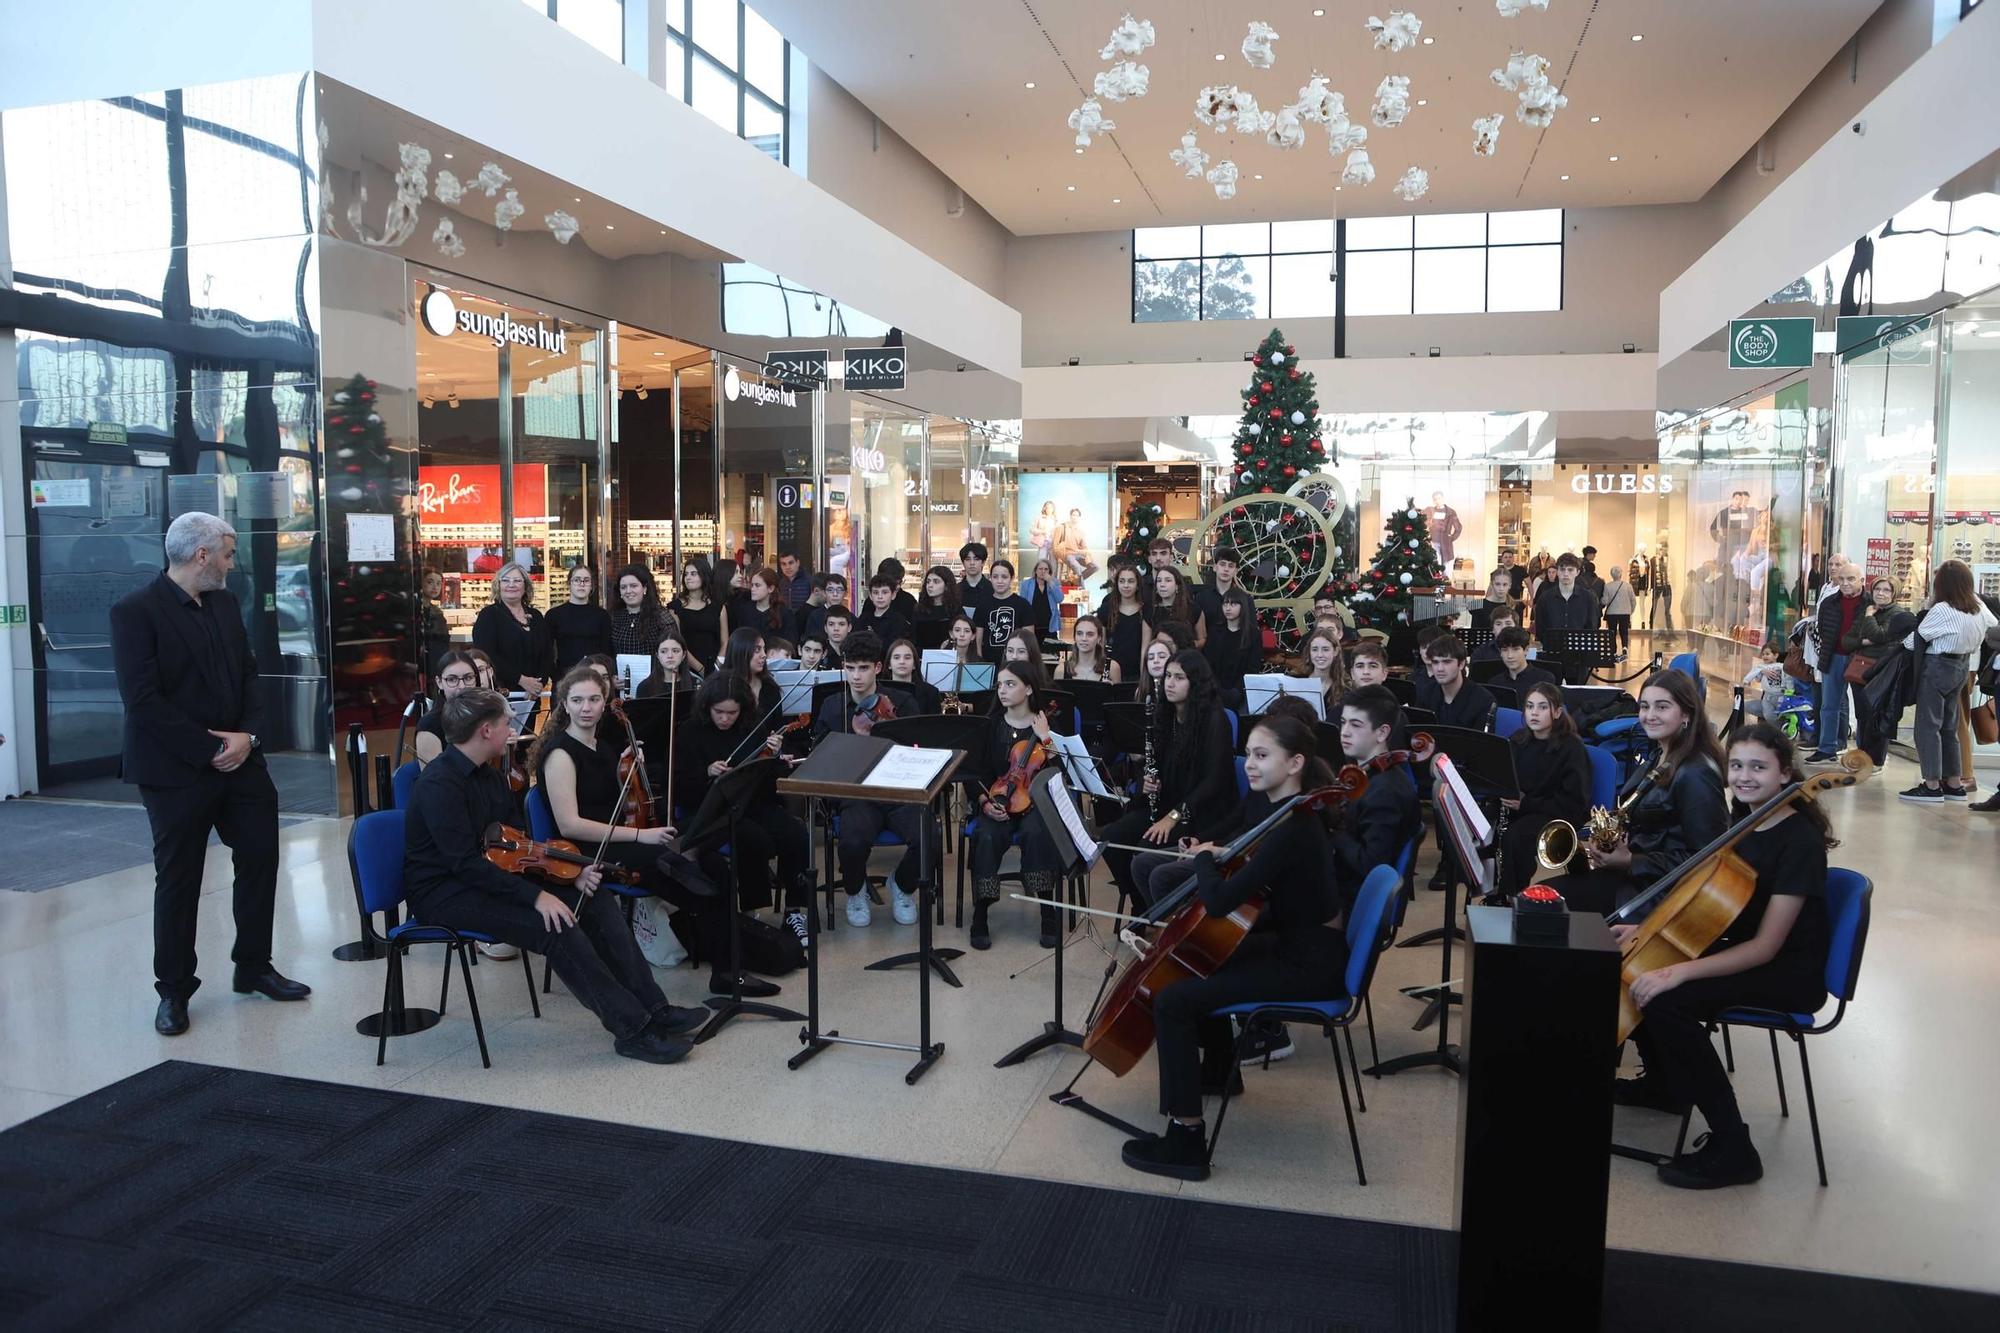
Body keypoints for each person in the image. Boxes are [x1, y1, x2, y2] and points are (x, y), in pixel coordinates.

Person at [406, 688, 707, 1062]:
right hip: (444, 893)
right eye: (505, 723)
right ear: (485, 731)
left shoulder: (491, 774)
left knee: (592, 897)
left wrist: (567, 875)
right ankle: (632, 1030)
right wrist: (536, 896)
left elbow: (519, 847)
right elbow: (464, 864)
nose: (511, 729)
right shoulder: (439, 785)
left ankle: (654, 1008)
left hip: (488, 877)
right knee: (556, 925)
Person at [1117, 714, 1343, 1182]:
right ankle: (1220, 1070)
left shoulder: (1293, 826)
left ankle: (1186, 1140)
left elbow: (1219, 903)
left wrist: (1204, 858)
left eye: (1262, 757)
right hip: (1300, 943)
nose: (1250, 766)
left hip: (1306, 962)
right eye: (1250, 755)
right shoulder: (1291, 813)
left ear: (1296, 762)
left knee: (1173, 999)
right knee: (1197, 963)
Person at [1615, 722, 1838, 1189]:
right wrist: (1646, 929)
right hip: (1747, 952)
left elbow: (1765, 946)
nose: (1744, 776)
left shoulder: (1798, 841)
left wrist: (1678, 971)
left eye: (1759, 766)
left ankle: (1734, 1146)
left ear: (1784, 774)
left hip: (1787, 972)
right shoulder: (1747, 823)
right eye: (1736, 765)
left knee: (1664, 997)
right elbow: (1709, 910)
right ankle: (1666, 1085)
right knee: (1639, 969)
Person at [109, 511, 306, 1036]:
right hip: (177, 770)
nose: (231, 561)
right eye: (228, 552)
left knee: (262, 858)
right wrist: (210, 748)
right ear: (202, 555)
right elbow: (143, 702)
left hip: (241, 760)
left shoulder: (222, 603)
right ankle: (173, 991)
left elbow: (247, 674)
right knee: (179, 879)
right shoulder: (135, 612)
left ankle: (253, 965)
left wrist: (249, 737)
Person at [1541, 670, 1728, 915]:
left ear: (1686, 713)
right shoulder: (1659, 755)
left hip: (1660, 893)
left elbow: (1707, 858)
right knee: (1542, 899)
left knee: (1544, 904)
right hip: (1640, 876)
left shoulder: (1696, 773)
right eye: (1644, 706)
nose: (1649, 716)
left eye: (1662, 707)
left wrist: (1630, 860)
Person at [671, 670, 813, 950]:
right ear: (706, 707)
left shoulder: (753, 728)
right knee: (752, 838)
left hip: (752, 802)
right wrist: (707, 772)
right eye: (719, 712)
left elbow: (768, 784)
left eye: (731, 713)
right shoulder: (689, 731)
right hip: (708, 809)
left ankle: (795, 911)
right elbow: (679, 785)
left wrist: (774, 758)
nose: (725, 718)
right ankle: (750, 911)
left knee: (795, 832)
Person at [811, 631, 938, 927]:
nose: (856, 676)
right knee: (852, 842)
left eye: (864, 668)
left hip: (898, 792)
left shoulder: (903, 703)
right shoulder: (832, 706)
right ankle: (855, 891)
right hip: (857, 795)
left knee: (929, 837)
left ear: (878, 668)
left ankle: (902, 885)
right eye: (851, 667)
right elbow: (820, 754)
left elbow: (917, 749)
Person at [1101, 651, 1237, 914]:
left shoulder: (1214, 719)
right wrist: (1149, 781)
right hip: (1166, 805)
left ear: (1195, 682)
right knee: (1112, 838)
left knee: (1144, 851)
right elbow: (1156, 765)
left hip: (1200, 813)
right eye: (1168, 677)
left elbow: (1214, 782)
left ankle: (1159, 915)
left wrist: (1173, 817)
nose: (1170, 683)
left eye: (1179, 678)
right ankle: (1141, 904)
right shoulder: (1164, 714)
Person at [967, 659, 1066, 950]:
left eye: (1010, 684)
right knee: (986, 834)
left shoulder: (1045, 725)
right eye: (1000, 685)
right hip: (996, 800)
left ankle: (1047, 910)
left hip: (1036, 803)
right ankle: (981, 910)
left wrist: (1046, 738)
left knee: (1038, 833)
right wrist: (985, 801)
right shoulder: (991, 725)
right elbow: (975, 773)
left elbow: (1060, 771)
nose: (1003, 690)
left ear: (1029, 688)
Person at [1900, 559, 1998, 802]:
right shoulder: (1977, 605)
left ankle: (1932, 785)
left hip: (1937, 667)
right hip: (1962, 667)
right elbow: (1994, 626)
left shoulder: (1942, 609)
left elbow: (1913, 642)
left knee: (1928, 726)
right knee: (1949, 726)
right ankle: (1954, 783)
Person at [1497, 681, 1593, 897]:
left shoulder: (1572, 749)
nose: (1534, 713)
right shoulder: (1518, 740)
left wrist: (1526, 803)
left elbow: (1574, 803)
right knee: (1485, 825)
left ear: (1557, 712)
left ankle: (1511, 895)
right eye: (1530, 706)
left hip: (1557, 811)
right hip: (1524, 807)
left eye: (1542, 707)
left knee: (1515, 837)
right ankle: (1492, 883)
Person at [1807, 561, 1866, 762]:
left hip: (1861, 660)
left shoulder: (1868, 604)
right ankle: (1826, 747)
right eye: (1842, 579)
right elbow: (1823, 630)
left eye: (1851, 579)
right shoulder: (1829, 602)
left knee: (1864, 708)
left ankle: (1863, 752)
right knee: (1828, 705)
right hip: (1833, 657)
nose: (1846, 583)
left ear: (1861, 580)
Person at [472, 562, 551, 698]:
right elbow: (486, 655)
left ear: (525, 586)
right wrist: (521, 680)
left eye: (517, 580)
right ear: (498, 585)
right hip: (502, 694)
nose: (511, 585)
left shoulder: (536, 616)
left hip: (532, 693)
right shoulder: (489, 615)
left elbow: (547, 653)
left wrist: (539, 683)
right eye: (506, 580)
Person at [1198, 545, 1260, 701]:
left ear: (1236, 570)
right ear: (1214, 567)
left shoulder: (1246, 599)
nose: (1226, 569)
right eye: (1222, 564)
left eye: (1231, 566)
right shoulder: (1202, 598)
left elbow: (1249, 631)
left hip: (1238, 667)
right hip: (1210, 666)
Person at [1533, 553, 1602, 685]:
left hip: (1578, 656)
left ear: (1577, 572)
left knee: (1576, 694)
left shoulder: (1588, 598)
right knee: (1551, 693)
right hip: (1552, 654)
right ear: (1557, 571)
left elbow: (1592, 626)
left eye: (1570, 570)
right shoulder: (1545, 598)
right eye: (1562, 569)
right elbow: (1540, 627)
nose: (1566, 573)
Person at [416, 650, 487, 767]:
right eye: (452, 680)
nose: (462, 686)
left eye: (468, 678)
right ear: (439, 682)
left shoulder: (485, 716)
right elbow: (435, 780)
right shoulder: (429, 725)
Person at [1414, 633, 1497, 732]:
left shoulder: (1483, 700)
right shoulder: (1425, 693)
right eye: (1435, 662)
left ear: (1461, 664)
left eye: (1447, 662)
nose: (1440, 669)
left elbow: (1482, 744)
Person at [546, 564, 613, 674]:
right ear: (569, 583)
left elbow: (607, 651)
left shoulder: (602, 615)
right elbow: (547, 651)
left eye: (586, 580)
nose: (582, 584)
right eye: (577, 580)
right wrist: (555, 675)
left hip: (594, 677)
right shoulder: (554, 615)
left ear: (592, 585)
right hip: (564, 677)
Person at [720, 627, 784, 730]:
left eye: (764, 649)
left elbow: (777, 727)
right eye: (757, 650)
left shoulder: (770, 688)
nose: (764, 655)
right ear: (741, 651)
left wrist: (777, 742)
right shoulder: (722, 687)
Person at [669, 559, 724, 670]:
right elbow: (677, 643)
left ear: (704, 575)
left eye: (693, 574)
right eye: (686, 574)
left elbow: (725, 641)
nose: (688, 578)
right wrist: (700, 669)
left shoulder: (718, 606)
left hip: (715, 665)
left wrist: (717, 665)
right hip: (686, 666)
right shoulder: (675, 607)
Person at [1098, 564, 1147, 682]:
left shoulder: (1146, 611)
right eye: (1122, 581)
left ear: (1137, 585)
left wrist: (1143, 679)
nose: (1126, 585)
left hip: (1137, 673)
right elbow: (1101, 645)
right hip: (1110, 674)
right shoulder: (1106, 610)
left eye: (1131, 581)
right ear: (1117, 584)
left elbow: (1145, 648)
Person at [977, 558, 1034, 660]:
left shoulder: (1023, 605)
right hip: (988, 662)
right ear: (990, 578)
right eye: (995, 577)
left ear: (1012, 578)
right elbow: (978, 638)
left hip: (1015, 663)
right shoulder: (983, 604)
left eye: (1004, 577)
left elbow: (1029, 640)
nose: (999, 581)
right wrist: (979, 661)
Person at [1293, 626, 1348, 720]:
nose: (1320, 655)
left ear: (1335, 651)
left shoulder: (1344, 690)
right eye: (1314, 649)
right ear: (1309, 652)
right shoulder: (1295, 682)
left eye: (1325, 649)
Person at [1146, 565, 1203, 646]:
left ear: (1177, 586)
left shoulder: (1193, 609)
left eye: (1168, 580)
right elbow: (1146, 645)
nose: (1162, 584)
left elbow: (1203, 639)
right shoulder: (1151, 612)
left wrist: (1190, 645)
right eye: (1159, 581)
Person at [637, 629, 701, 699]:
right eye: (663, 651)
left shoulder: (696, 684)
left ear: (684, 655)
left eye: (675, 651)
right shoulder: (644, 687)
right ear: (657, 655)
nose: (670, 655)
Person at [886, 638, 943, 713]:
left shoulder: (931, 693)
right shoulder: (879, 692)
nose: (902, 661)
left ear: (914, 664)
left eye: (907, 658)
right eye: (896, 658)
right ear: (889, 664)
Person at [856, 572, 913, 647]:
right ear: (870, 596)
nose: (880, 596)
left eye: (884, 592)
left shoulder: (899, 621)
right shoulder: (863, 619)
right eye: (876, 592)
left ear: (893, 595)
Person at [1062, 614, 1123, 683]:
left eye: (1090, 634)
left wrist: (1110, 691)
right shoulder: (1061, 670)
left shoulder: (1113, 668)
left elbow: (1118, 693)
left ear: (1099, 638)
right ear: (1074, 637)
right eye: (1079, 633)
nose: (1084, 638)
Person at [1494, 627, 1556, 693]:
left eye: (1515, 649)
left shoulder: (1544, 679)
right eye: (1505, 650)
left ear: (1526, 650)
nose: (1510, 656)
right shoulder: (1495, 683)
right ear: (1500, 652)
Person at [1738, 644, 1787, 723]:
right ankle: (1775, 727)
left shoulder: (1781, 666)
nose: (1764, 656)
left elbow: (1788, 679)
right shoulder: (1761, 667)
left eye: (1767, 654)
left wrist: (1790, 689)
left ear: (1775, 655)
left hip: (1780, 695)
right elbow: (1756, 677)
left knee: (1780, 713)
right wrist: (1746, 680)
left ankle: (1778, 726)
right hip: (1767, 696)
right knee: (1768, 714)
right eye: (1763, 654)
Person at [420, 567, 452, 682]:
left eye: (438, 583)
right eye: (430, 582)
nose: (435, 587)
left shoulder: (436, 612)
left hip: (435, 663)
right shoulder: (415, 610)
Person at [1021, 557, 1064, 642]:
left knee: (1052, 653)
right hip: (1032, 626)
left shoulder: (1054, 583)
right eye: (1040, 569)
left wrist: (1050, 582)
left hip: (1050, 627)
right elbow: (1022, 605)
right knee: (1033, 653)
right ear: (1036, 571)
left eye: (1046, 569)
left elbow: (1060, 599)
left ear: (1049, 572)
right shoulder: (1026, 584)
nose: (1043, 571)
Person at [1054, 507, 1099, 582]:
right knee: (1077, 567)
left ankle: (1076, 580)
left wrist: (1088, 556)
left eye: (1077, 515)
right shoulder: (1062, 527)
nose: (1074, 517)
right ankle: (1081, 587)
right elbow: (1055, 546)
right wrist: (1059, 557)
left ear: (1079, 518)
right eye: (1073, 515)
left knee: (1095, 567)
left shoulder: (1080, 531)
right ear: (1070, 516)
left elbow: (1085, 547)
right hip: (1067, 554)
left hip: (1077, 554)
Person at [1466, 568, 1518, 633]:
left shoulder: (1516, 606)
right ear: (1491, 584)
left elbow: (1518, 634)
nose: (1501, 588)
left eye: (1505, 584)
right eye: (1497, 584)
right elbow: (1475, 633)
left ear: (1510, 585)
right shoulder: (1478, 605)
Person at [957, 541, 996, 626]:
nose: (972, 563)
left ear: (983, 562)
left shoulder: (993, 589)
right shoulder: (955, 591)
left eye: (976, 559)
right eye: (967, 559)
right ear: (963, 562)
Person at [1602, 564, 1636, 657]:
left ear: (1611, 575)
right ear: (1621, 574)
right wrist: (1630, 610)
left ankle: (1613, 650)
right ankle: (1624, 647)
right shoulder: (1628, 586)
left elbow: (1605, 601)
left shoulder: (1608, 586)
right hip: (1625, 612)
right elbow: (1633, 600)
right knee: (1624, 631)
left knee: (1612, 631)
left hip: (1612, 613)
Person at [1427, 491, 1463, 566]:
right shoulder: (1430, 511)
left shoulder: (1450, 512)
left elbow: (1458, 527)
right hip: (1433, 542)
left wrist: (1451, 538)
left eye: (1439, 498)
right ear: (1433, 501)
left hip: (1446, 543)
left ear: (1443, 498)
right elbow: (1423, 521)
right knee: (1435, 564)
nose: (1437, 501)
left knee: (1446, 566)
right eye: (1435, 499)